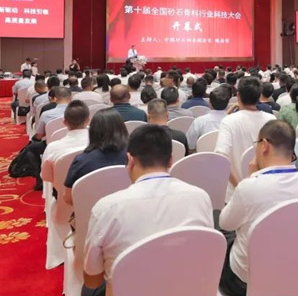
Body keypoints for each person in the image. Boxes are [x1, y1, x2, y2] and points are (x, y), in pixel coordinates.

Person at [83, 125, 213, 296]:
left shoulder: (107, 208)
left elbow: (92, 280)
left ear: (130, 160)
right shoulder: (201, 197)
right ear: (170, 160)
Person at [219, 120, 298, 296]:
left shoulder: (249, 187)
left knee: (219, 225)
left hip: (245, 281)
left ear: (264, 145)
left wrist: (251, 179)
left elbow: (226, 224)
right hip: (292, 270)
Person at [216, 77, 276, 189]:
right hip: (265, 187)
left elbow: (221, 159)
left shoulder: (229, 121)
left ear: (238, 95)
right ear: (259, 96)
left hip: (235, 190)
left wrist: (239, 187)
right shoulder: (271, 120)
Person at [62, 109, 129, 205]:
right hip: (128, 210)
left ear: (93, 131)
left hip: (90, 212)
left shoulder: (82, 161)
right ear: (122, 128)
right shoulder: (134, 157)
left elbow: (68, 198)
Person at [41, 101, 90, 188]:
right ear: (88, 120)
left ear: (64, 122)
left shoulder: (52, 148)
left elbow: (46, 177)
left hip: (62, 193)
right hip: (95, 193)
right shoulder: (100, 144)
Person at [186, 86, 231, 151]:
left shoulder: (199, 122)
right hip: (227, 155)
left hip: (202, 155)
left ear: (209, 103)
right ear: (227, 103)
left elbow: (190, 145)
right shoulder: (234, 122)